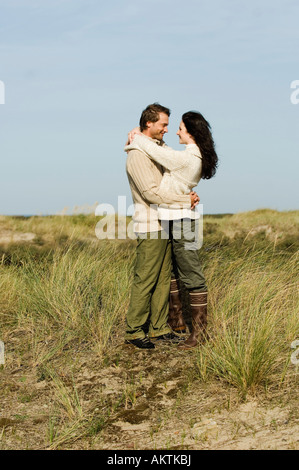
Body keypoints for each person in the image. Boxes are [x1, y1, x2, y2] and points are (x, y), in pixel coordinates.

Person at [125, 111, 218, 349]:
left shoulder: (188, 156)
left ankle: (195, 333)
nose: (173, 131)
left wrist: (137, 137)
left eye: (178, 127)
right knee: (167, 274)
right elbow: (160, 157)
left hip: (181, 219)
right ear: (149, 123)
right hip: (169, 218)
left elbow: (159, 153)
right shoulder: (181, 155)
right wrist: (137, 138)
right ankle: (167, 325)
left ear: (191, 133)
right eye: (166, 125)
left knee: (189, 273)